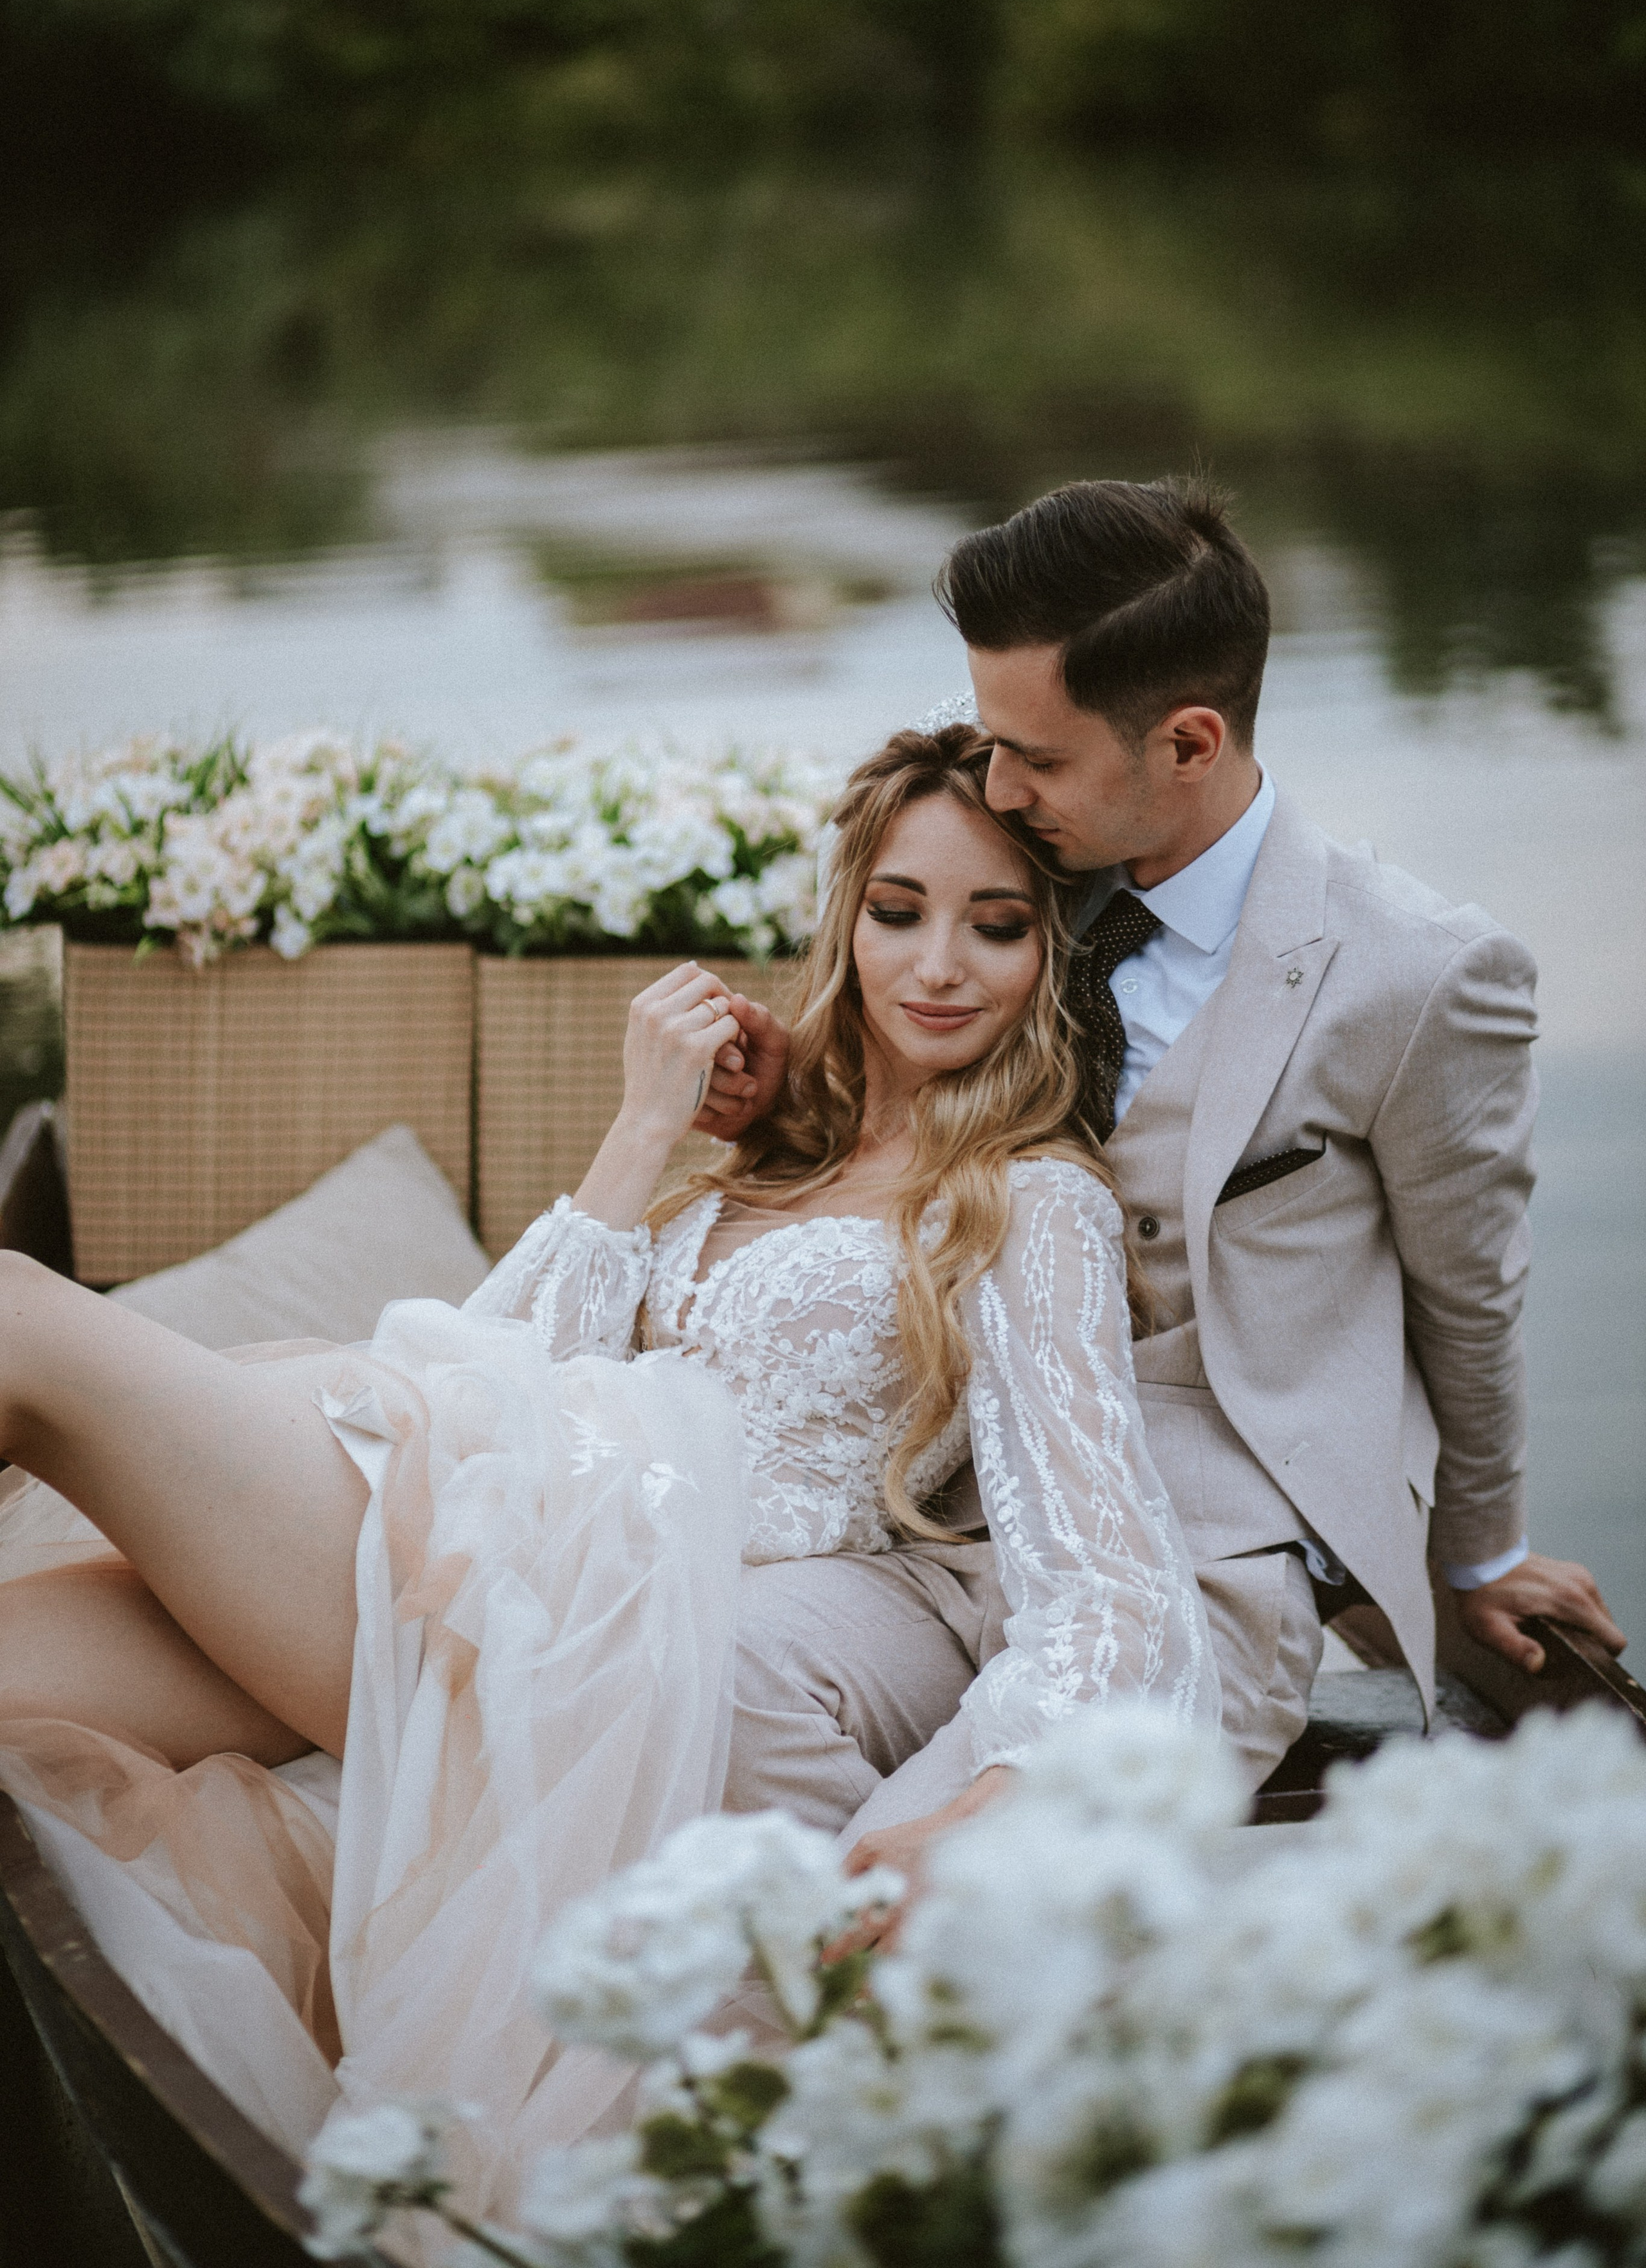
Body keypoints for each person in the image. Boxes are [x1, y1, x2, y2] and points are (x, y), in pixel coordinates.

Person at [0, 724, 1215, 2217]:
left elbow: (1105, 1574)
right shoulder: (772, 1156)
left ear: (1054, 952)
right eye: (898, 910)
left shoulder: (1030, 1208)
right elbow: (499, 1359)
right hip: (480, 1509)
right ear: (848, 918)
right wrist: (646, 1135)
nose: (939, 963)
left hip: (583, 1613)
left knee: (16, 1318)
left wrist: (998, 1800)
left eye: (998, 924)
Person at [704, 476, 1625, 1875]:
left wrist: (1475, 1554)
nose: (997, 784)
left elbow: (1468, 1295)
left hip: (1200, 1569)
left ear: (1186, 741)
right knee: (698, 1694)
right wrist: (796, 1098)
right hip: (933, 1523)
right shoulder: (1012, 882)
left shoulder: (1419, 974)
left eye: (1035, 757)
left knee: (938, 1881)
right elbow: (917, 1124)